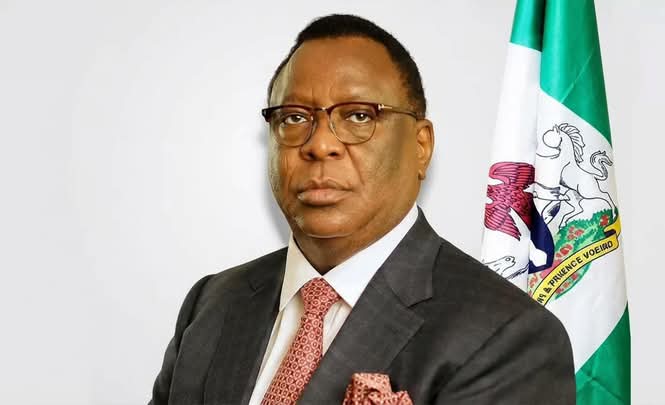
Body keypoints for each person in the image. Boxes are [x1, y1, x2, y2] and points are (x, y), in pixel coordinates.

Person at [149, 14, 575, 405]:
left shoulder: (506, 338)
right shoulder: (212, 304)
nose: (320, 145)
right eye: (294, 118)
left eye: (358, 116)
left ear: (421, 146)